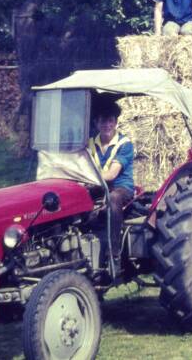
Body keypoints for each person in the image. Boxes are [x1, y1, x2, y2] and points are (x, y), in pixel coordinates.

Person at [88, 99, 135, 276]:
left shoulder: (125, 144)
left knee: (114, 198)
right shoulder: (90, 144)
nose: (107, 125)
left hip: (121, 188)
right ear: (96, 123)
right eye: (103, 120)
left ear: (115, 122)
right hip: (98, 188)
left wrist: (87, 178)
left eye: (110, 120)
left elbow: (112, 174)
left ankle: (114, 255)